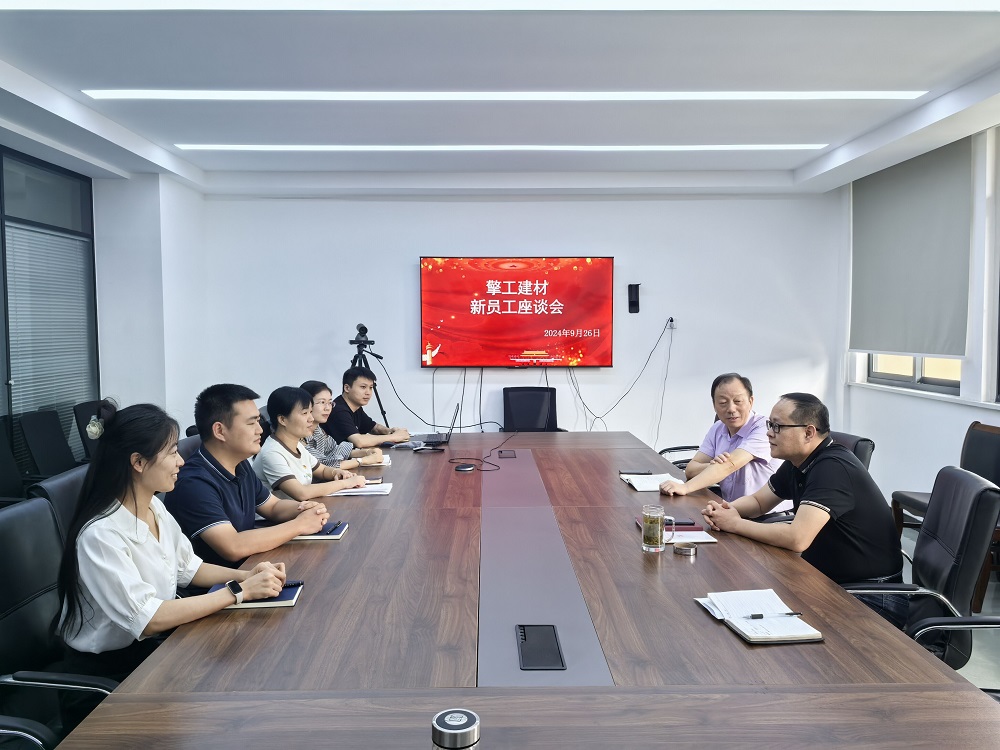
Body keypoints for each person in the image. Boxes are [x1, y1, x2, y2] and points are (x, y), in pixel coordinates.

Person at [54, 401, 287, 726]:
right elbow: (149, 618)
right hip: (106, 683)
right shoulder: (101, 535)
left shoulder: (154, 507)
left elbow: (189, 569)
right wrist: (238, 591)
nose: (181, 461)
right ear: (138, 462)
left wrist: (247, 574)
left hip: (154, 655)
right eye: (172, 452)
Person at [700, 393, 906, 627]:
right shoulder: (799, 462)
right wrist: (724, 510)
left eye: (777, 426)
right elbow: (759, 502)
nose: (769, 433)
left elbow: (797, 538)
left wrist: (735, 523)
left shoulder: (832, 468)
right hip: (826, 580)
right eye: (769, 425)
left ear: (808, 432)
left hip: (871, 597)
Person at [165, 383, 331, 567]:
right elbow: (233, 546)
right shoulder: (194, 483)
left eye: (258, 421)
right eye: (251, 423)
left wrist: (305, 508)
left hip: (254, 567)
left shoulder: (240, 464)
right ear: (220, 431)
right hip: (226, 579)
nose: (260, 430)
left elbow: (273, 507)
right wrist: (300, 525)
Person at [659, 373, 786, 511]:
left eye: (738, 401)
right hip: (730, 508)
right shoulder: (718, 428)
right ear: (714, 406)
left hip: (767, 515)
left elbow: (730, 465)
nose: (731, 409)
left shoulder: (764, 427)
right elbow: (691, 470)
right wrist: (713, 466)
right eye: (723, 403)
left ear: (751, 401)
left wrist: (685, 488)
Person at [254, 386, 368, 500]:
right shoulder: (272, 453)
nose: (311, 419)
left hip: (303, 507)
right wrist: (345, 483)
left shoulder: (297, 445)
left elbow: (322, 470)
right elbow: (301, 493)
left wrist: (337, 472)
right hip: (285, 511)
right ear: (282, 420)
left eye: (311, 412)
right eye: (304, 413)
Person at [300, 379, 384, 470]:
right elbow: (322, 467)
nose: (327, 408)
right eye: (322, 402)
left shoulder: (318, 430)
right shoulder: (298, 435)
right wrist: (362, 461)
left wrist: (367, 452)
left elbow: (334, 450)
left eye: (330, 403)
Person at [324, 366, 411, 448]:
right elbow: (359, 441)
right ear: (347, 388)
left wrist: (390, 431)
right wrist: (394, 437)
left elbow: (374, 428)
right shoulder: (339, 410)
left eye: (371, 387)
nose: (368, 392)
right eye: (363, 387)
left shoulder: (355, 407)